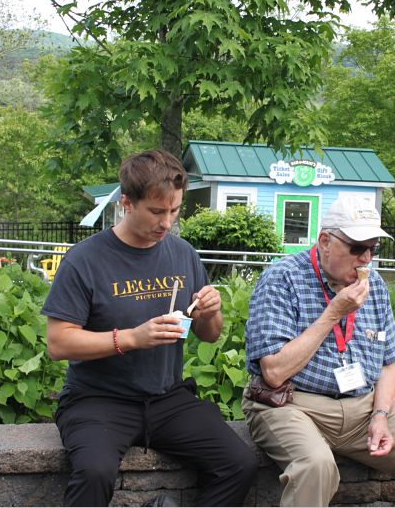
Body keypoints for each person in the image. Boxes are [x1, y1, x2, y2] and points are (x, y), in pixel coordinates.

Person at [42, 149, 258, 507]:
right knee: (94, 473)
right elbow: (58, 343)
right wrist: (131, 338)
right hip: (98, 399)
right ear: (127, 202)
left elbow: (209, 334)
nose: (167, 223)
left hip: (168, 398)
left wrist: (210, 312)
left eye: (175, 211)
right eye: (157, 211)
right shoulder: (85, 259)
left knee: (239, 463)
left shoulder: (183, 254)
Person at [242, 195, 395, 507]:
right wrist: (333, 313)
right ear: (325, 241)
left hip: (363, 408)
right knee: (315, 465)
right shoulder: (282, 277)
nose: (366, 258)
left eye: (373, 248)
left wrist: (381, 416)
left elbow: (388, 365)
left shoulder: (376, 285)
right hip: (293, 404)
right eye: (357, 248)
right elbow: (274, 372)